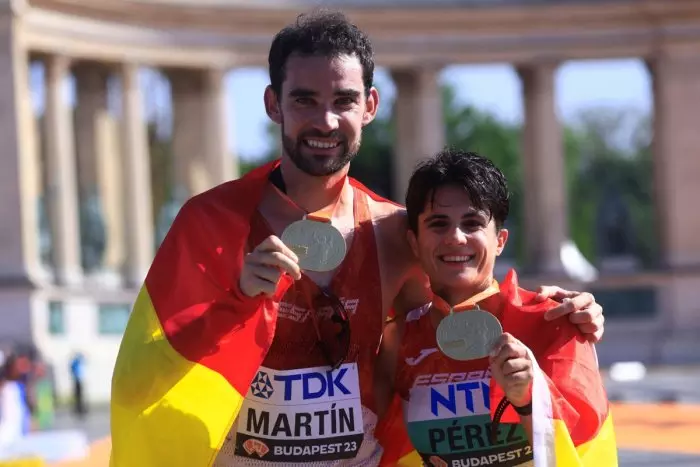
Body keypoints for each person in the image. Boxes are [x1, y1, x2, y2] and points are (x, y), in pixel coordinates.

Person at [109, 10, 606, 467]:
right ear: (272, 104)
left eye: (343, 101)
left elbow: (466, 318)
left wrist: (556, 313)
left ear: (369, 106)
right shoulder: (209, 223)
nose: (325, 121)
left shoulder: (396, 232)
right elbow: (148, 372)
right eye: (304, 99)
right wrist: (236, 303)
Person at [375, 150, 617, 466]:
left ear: (500, 240)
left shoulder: (555, 321)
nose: (456, 238)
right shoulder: (397, 340)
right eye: (438, 224)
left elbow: (588, 449)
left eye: (472, 223)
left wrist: (531, 400)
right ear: (414, 243)